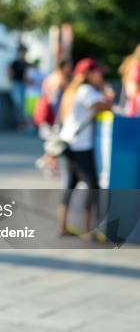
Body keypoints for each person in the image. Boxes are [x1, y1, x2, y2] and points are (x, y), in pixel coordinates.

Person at [57, 58, 113, 239]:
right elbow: (104, 106)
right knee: (93, 187)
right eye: (98, 73)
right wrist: (105, 89)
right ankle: (89, 230)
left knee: (71, 184)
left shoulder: (71, 91)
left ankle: (62, 225)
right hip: (81, 145)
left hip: (68, 142)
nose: (100, 75)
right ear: (88, 74)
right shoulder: (86, 90)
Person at [9, 45, 28, 129]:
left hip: (24, 85)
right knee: (18, 102)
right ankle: (18, 122)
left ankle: (22, 123)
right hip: (16, 84)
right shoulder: (15, 63)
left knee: (23, 104)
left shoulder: (26, 63)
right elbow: (10, 72)